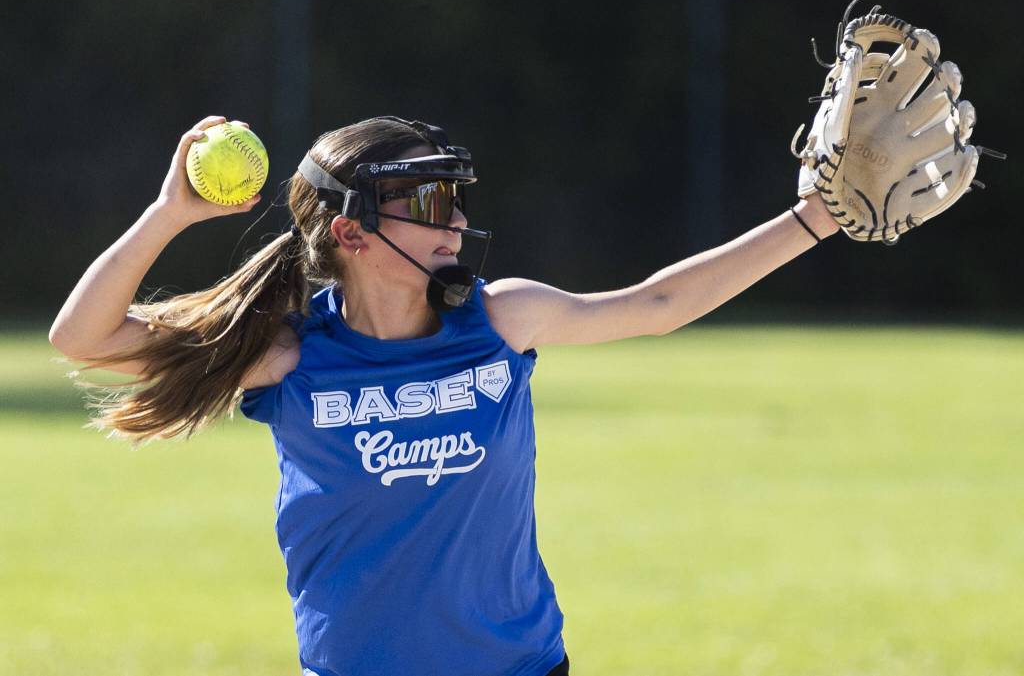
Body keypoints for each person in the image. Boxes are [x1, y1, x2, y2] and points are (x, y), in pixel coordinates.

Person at [49, 114, 840, 676]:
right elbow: (82, 338)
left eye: (455, 199)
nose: (455, 222)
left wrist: (817, 217)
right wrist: (167, 215)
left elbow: (659, 304)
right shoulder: (290, 355)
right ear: (352, 234)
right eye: (428, 204)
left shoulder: (501, 318)